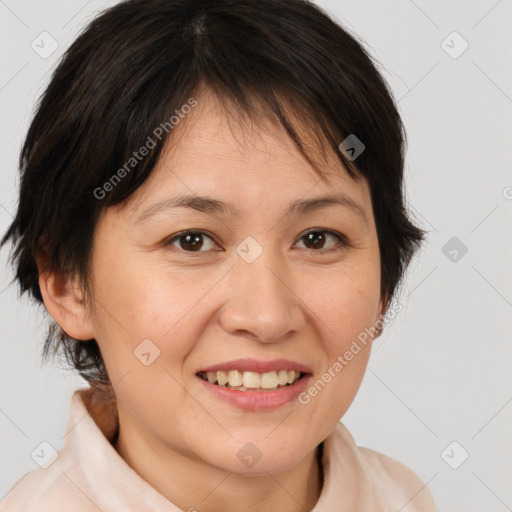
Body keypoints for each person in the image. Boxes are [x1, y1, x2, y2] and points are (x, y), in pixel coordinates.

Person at [0, 0, 439, 510]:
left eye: (317, 238)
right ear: (67, 283)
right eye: (192, 240)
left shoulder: (405, 498)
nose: (267, 315)